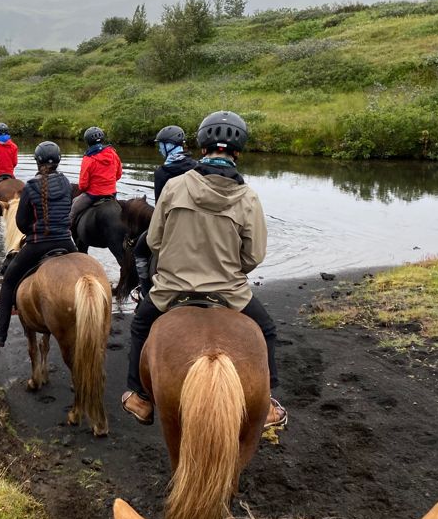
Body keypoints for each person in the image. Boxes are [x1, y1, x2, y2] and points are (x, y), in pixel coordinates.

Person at [121, 111, 287, 429]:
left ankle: (140, 397)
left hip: (172, 288)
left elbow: (154, 240)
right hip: (228, 291)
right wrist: (227, 267)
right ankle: (265, 404)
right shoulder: (248, 198)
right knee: (266, 330)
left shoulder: (174, 187)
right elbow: (254, 256)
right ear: (237, 152)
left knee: (141, 325)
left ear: (202, 147)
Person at [0, 141, 76, 347]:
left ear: (37, 162)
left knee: (8, 281)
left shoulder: (31, 186)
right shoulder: (66, 183)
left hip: (39, 243)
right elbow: (67, 211)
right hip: (66, 241)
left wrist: (32, 232)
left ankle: (0, 331)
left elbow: (21, 222)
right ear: (58, 161)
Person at [132, 125, 201, 298]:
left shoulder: (162, 173)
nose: (159, 149)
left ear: (168, 145)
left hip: (172, 225)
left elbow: (160, 208)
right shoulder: (197, 167)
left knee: (139, 251)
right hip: (198, 223)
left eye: (160, 145)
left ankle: (146, 291)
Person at [69, 126, 122, 248]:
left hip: (93, 195)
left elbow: (83, 185)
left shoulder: (88, 158)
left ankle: (67, 234)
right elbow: (118, 175)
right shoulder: (113, 153)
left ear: (87, 141)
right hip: (112, 194)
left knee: (74, 207)